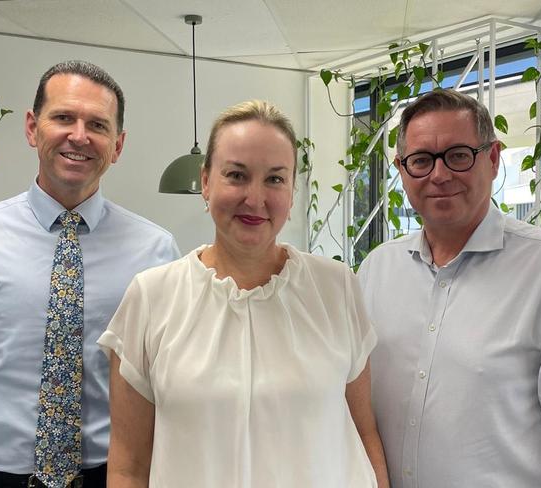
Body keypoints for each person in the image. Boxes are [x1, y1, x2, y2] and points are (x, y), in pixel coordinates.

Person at [98, 100, 390, 488]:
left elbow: (364, 433)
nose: (255, 199)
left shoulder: (335, 287)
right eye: (236, 175)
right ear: (205, 182)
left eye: (274, 179)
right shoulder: (151, 297)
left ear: (292, 189)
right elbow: (128, 467)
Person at [0, 60, 179, 488]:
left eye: (98, 125)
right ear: (32, 128)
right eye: (64, 117)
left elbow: (168, 385)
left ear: (118, 145)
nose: (79, 136)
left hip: (110, 477)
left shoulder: (156, 251)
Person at [357, 88, 541, 488]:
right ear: (401, 168)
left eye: (459, 155)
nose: (440, 174)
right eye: (421, 160)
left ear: (494, 158)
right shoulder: (377, 269)